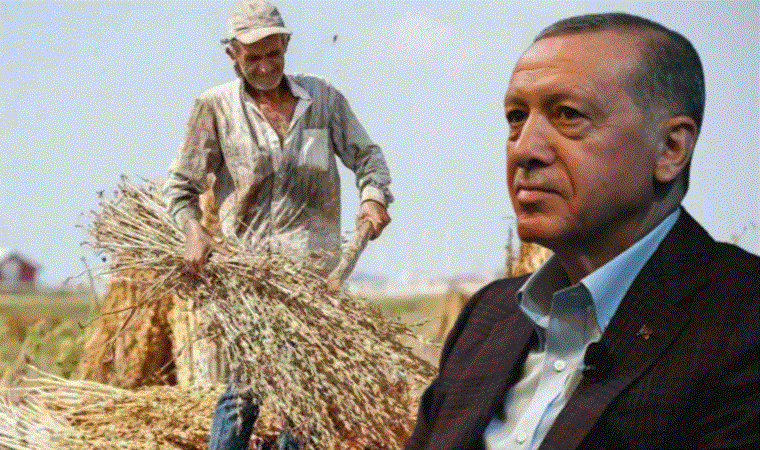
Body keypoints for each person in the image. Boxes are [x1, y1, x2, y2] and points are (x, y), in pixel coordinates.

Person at [405, 12, 759, 450]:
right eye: (516, 117)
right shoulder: (488, 316)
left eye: (568, 115)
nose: (524, 149)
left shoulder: (742, 320)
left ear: (670, 149)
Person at [162, 0, 392, 448]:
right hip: (250, 277)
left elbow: (368, 158)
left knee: (305, 399)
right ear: (232, 55)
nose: (266, 67)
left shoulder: (322, 99)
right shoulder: (215, 108)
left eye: (274, 54)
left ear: (286, 45)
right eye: (253, 58)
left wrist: (373, 197)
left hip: (316, 277)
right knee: (243, 391)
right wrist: (194, 231)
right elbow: (180, 187)